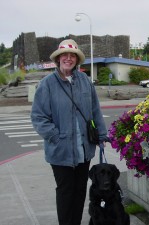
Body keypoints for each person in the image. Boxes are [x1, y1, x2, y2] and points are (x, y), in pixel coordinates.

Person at [31, 39, 108, 225]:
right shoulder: (47, 84)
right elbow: (38, 117)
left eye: (72, 55)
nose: (68, 58)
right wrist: (55, 137)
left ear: (76, 59)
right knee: (66, 191)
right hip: (61, 150)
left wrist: (102, 135)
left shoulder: (85, 81)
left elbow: (95, 110)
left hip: (84, 149)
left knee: (81, 189)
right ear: (58, 59)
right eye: (64, 55)